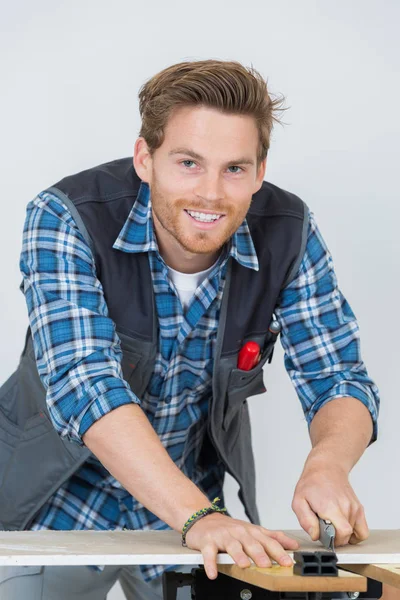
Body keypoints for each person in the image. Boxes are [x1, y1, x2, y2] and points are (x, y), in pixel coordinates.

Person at [0, 59, 380, 599]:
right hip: (51, 506)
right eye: (188, 163)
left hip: (193, 515)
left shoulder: (289, 231)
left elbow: (339, 375)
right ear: (145, 158)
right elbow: (85, 381)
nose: (211, 194)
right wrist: (196, 515)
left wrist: (328, 465)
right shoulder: (67, 216)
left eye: (234, 169)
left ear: (260, 170)